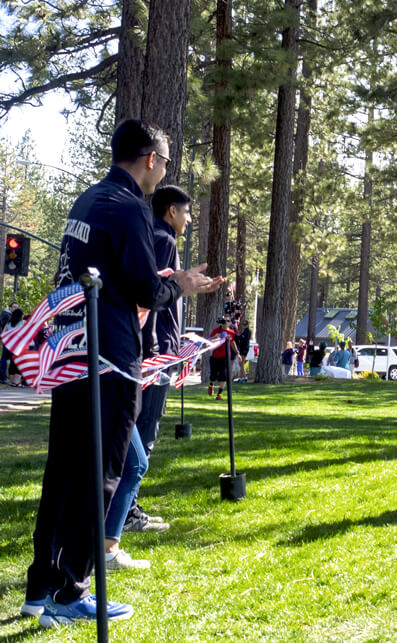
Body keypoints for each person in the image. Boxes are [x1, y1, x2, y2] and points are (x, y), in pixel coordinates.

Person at [22, 119, 222, 627]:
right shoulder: (131, 207)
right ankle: (72, 590)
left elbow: (97, 274)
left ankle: (39, 587)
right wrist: (182, 284)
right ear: (151, 158)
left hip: (71, 353)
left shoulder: (88, 199)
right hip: (110, 361)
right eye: (167, 160)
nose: (166, 170)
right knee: (103, 474)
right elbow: (143, 292)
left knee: (62, 474)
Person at [121, 185, 194, 536]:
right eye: (186, 212)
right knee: (144, 431)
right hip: (157, 352)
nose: (189, 219)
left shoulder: (154, 234)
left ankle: (125, 508)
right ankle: (127, 512)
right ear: (170, 212)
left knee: (138, 429)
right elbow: (152, 296)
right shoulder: (164, 239)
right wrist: (158, 349)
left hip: (153, 348)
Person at [209, 317, 237, 400]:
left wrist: (237, 353)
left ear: (230, 323)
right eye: (224, 321)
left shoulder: (231, 332)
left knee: (224, 375)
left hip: (225, 356)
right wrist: (215, 337)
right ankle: (211, 385)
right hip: (215, 356)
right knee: (213, 376)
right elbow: (209, 340)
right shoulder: (216, 330)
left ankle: (219, 394)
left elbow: (232, 342)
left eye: (228, 321)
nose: (226, 323)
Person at [5, 308, 25, 387]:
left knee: (12, 364)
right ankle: (17, 382)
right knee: (19, 363)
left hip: (10, 346)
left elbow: (3, 334)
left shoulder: (8, 323)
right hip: (19, 346)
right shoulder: (23, 323)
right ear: (21, 316)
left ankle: (13, 382)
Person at [0, 301, 18, 383]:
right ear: (10, 307)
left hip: (11, 341)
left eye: (16, 307)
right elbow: (4, 327)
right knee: (4, 359)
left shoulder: (10, 315)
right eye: (14, 307)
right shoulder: (6, 315)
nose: (15, 309)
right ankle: (3, 377)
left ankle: (5, 377)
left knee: (7, 359)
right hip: (7, 340)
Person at [234, 318, 251, 382]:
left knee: (242, 362)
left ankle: (243, 377)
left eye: (245, 324)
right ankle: (243, 376)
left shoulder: (247, 332)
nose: (244, 326)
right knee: (241, 363)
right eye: (243, 324)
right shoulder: (244, 331)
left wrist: (237, 336)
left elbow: (243, 339)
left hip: (244, 348)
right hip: (242, 348)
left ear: (247, 325)